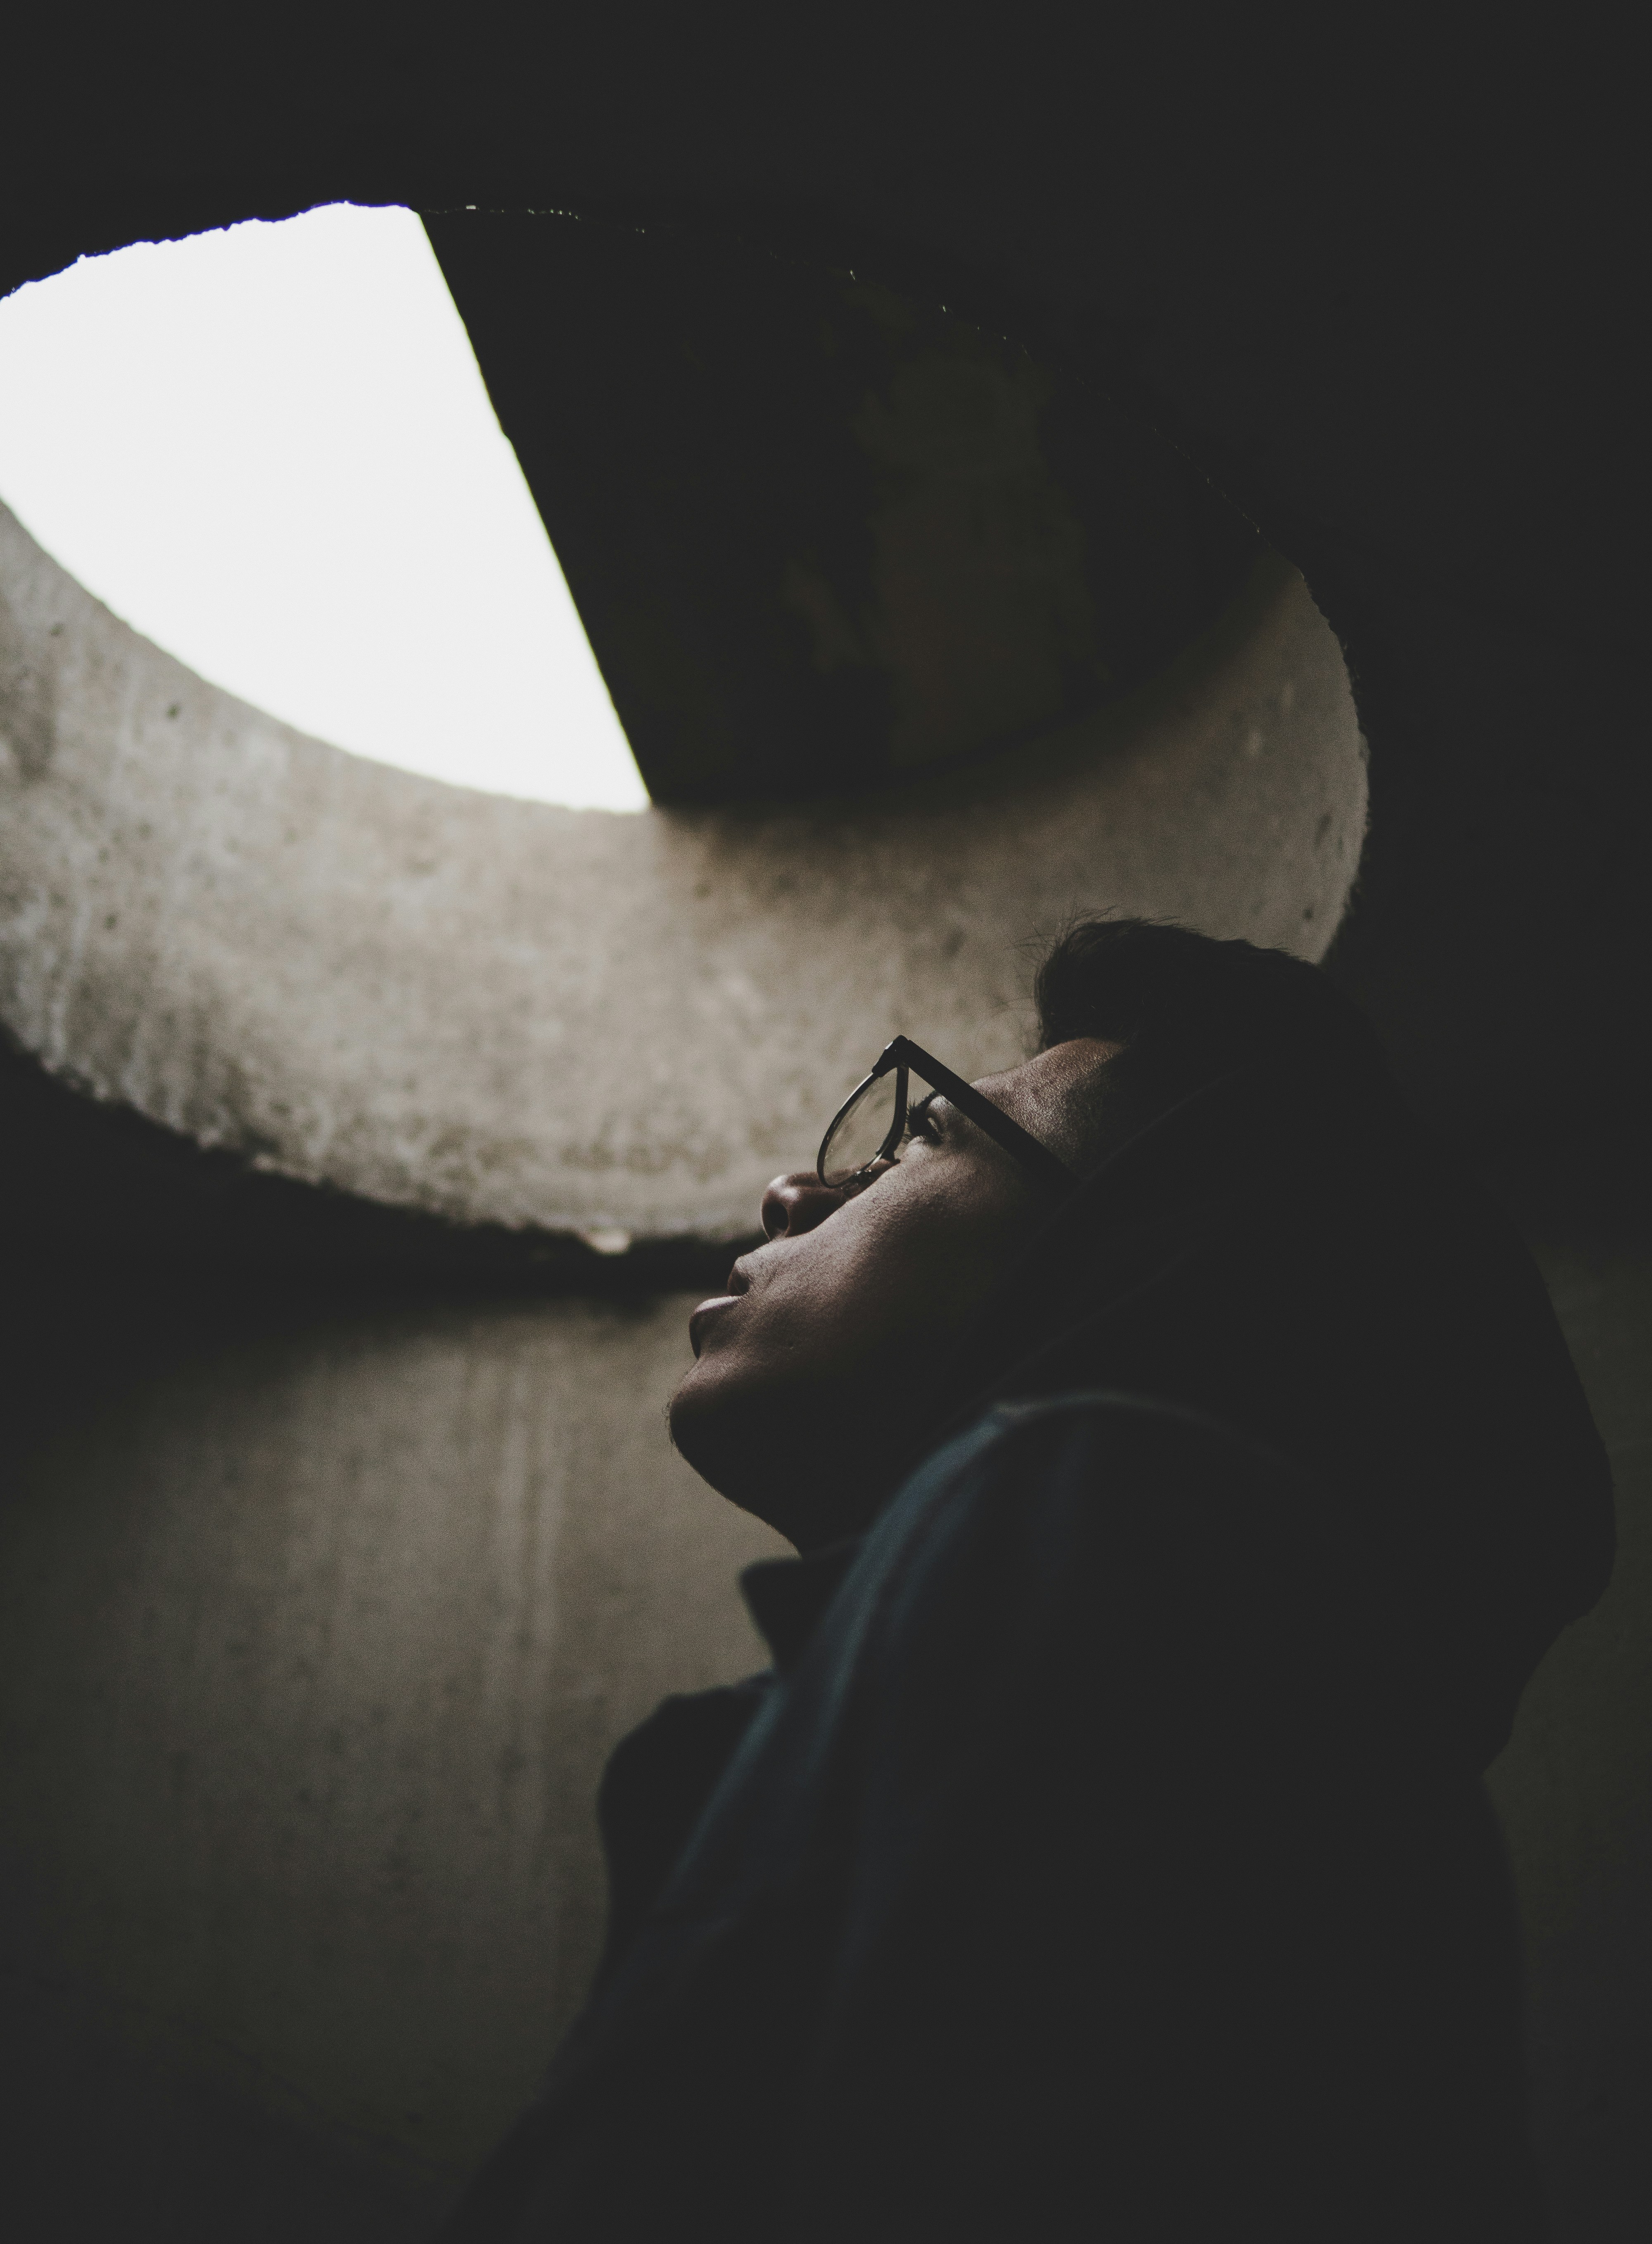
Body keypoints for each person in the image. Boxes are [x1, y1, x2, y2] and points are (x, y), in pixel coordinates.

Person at [437, 918, 1614, 2242]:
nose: (792, 1193)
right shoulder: (1214, 1672)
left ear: (1135, 1239)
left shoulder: (1102, 1517)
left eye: (924, 1136)